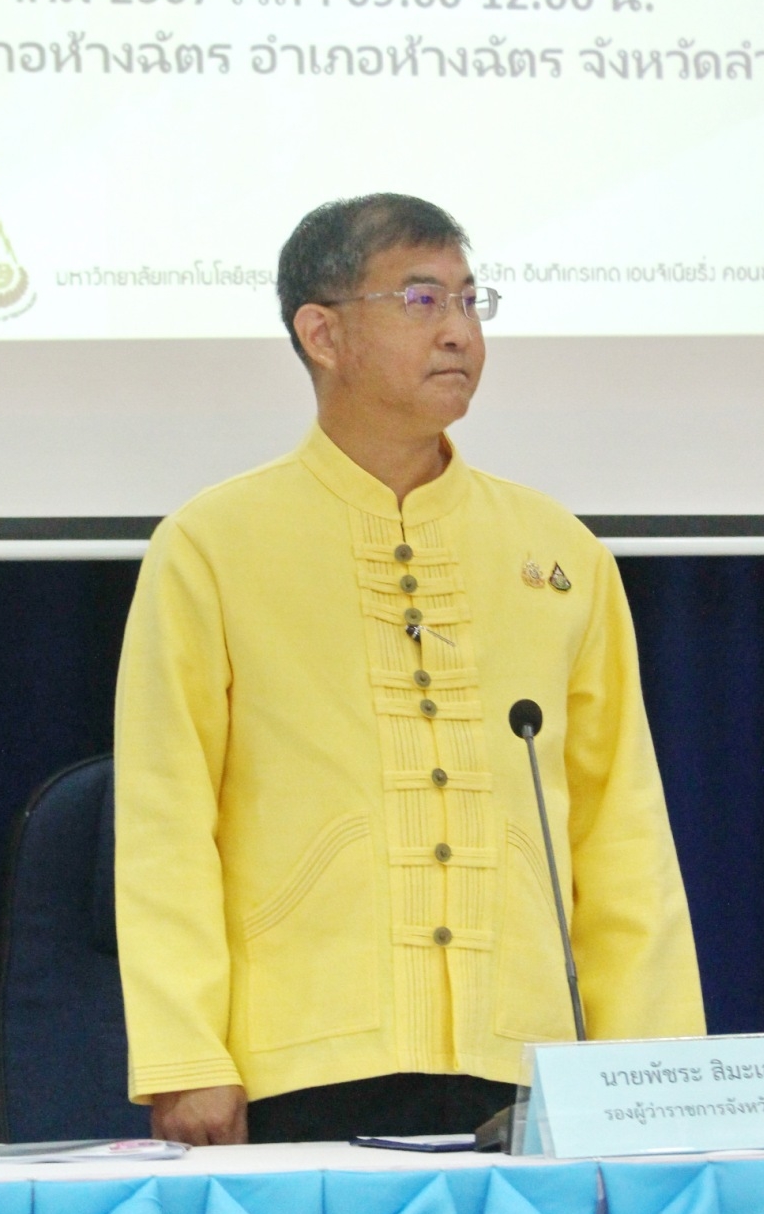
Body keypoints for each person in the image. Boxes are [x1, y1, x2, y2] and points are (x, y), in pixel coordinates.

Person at [114, 194, 703, 1145]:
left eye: (470, 301)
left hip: (528, 1071)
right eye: (422, 300)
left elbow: (620, 829)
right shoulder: (211, 545)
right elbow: (163, 823)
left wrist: (654, 1071)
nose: (459, 332)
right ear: (322, 334)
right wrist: (185, 1055)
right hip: (303, 1064)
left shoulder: (558, 550)